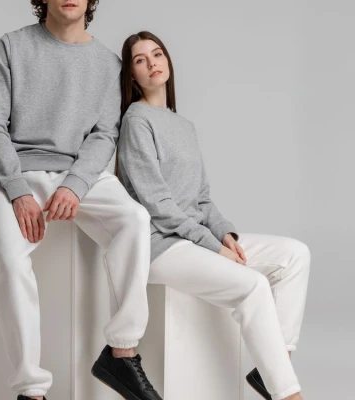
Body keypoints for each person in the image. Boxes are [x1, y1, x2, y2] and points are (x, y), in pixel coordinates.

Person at [0, 2, 162, 400]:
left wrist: (75, 184)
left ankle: (122, 352)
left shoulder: (108, 64)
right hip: (14, 172)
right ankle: (31, 389)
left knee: (134, 218)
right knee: (10, 263)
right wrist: (17, 189)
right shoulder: (12, 46)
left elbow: (104, 135)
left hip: (76, 172)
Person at [115, 31, 311, 400]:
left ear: (168, 61)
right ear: (133, 76)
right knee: (252, 286)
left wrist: (226, 236)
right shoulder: (136, 121)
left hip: (196, 239)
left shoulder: (183, 126)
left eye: (157, 54)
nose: (152, 63)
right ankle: (288, 394)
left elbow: (202, 199)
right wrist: (212, 246)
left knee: (295, 255)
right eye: (141, 60)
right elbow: (157, 204)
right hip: (161, 245)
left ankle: (273, 370)